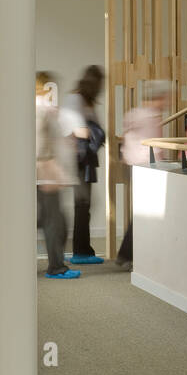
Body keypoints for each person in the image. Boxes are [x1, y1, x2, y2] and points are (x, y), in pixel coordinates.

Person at [115, 80, 172, 269]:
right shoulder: (149, 117)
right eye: (166, 98)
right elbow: (152, 145)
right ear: (160, 97)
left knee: (143, 213)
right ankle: (130, 254)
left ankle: (128, 254)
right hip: (148, 167)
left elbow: (127, 139)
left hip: (138, 165)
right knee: (147, 214)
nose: (167, 102)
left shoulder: (135, 113)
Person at [36, 72, 79, 279]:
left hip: (45, 175)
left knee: (52, 221)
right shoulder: (38, 109)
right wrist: (51, 171)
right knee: (54, 223)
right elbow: (40, 146)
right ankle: (56, 267)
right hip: (44, 176)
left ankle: (56, 264)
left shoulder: (44, 110)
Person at [62, 65, 106, 265]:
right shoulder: (75, 100)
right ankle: (80, 251)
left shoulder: (86, 101)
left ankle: (83, 249)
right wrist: (92, 132)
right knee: (82, 204)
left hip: (85, 159)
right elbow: (79, 130)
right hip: (76, 158)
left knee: (85, 205)